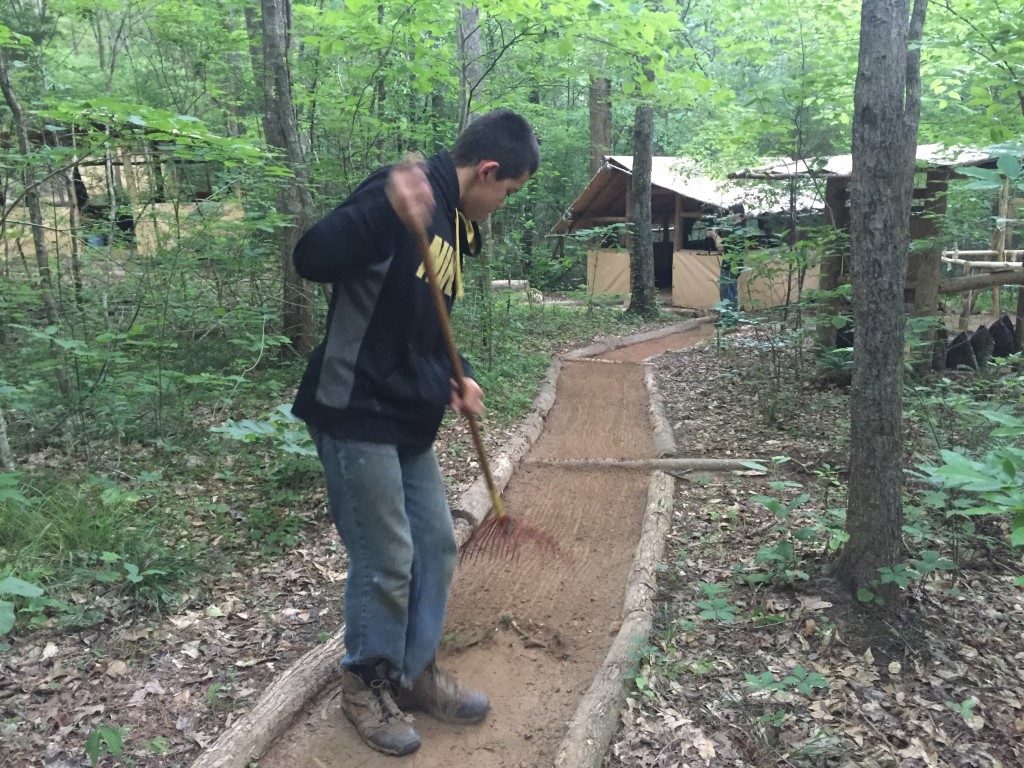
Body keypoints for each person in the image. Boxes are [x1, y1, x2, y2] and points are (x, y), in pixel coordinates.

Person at [291, 109, 539, 756]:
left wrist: (465, 375)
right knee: (386, 556)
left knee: (434, 543)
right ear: (488, 171)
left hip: (408, 417)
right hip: (355, 409)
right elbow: (311, 257)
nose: (502, 205)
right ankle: (365, 682)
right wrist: (383, 210)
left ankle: (412, 671)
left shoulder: (454, 225)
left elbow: (426, 323)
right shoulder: (401, 193)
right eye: (507, 193)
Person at [708, 203, 750, 318]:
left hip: (730, 264)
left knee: (727, 291)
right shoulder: (740, 228)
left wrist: (714, 235)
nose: (729, 216)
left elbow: (721, 247)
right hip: (734, 264)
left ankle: (728, 319)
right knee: (731, 290)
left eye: (731, 213)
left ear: (739, 214)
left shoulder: (737, 230)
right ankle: (730, 317)